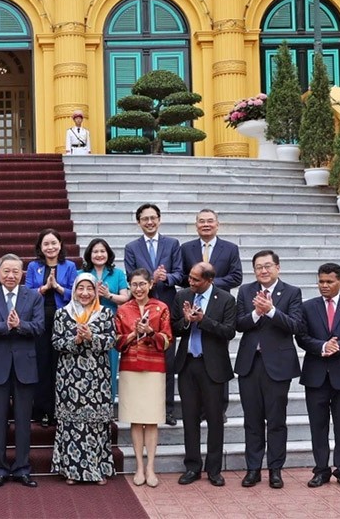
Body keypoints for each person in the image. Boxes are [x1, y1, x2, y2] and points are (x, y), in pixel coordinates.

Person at [235, 250, 303, 489]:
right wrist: (256, 312)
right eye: (258, 267)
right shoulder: (245, 291)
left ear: (277, 268)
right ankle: (253, 469)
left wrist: (272, 311)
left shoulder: (292, 292)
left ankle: (275, 469)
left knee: (276, 420)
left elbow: (295, 325)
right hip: (250, 364)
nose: (263, 271)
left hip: (278, 366)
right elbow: (238, 324)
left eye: (267, 266)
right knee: (252, 420)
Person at [297, 263, 340, 490]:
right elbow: (302, 337)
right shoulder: (307, 307)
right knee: (318, 426)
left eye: (329, 282)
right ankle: (321, 471)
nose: (324, 286)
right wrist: (322, 346)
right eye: (321, 281)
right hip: (315, 375)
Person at [0, 254, 44, 489]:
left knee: (24, 420)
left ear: (22, 273)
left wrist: (20, 325)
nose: (11, 275)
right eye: (6, 271)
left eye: (15, 271)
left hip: (25, 366)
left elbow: (39, 327)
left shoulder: (33, 297)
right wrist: (6, 326)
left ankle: (23, 468)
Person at [171, 262, 236, 487]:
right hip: (188, 364)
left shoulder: (226, 299)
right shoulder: (183, 297)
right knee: (189, 418)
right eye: (190, 278)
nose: (190, 282)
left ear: (209, 280)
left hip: (213, 367)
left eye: (196, 279)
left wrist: (203, 321)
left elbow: (229, 331)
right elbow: (173, 328)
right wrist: (187, 321)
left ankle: (214, 470)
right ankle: (192, 467)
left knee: (215, 420)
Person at [51, 273, 116, 485]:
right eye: (80, 288)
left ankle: (97, 469)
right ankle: (71, 471)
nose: (85, 293)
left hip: (97, 376)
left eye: (89, 288)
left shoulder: (105, 313)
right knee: (71, 423)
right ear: (74, 290)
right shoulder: (63, 314)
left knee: (96, 423)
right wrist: (75, 340)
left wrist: (91, 338)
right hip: (70, 376)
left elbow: (110, 341)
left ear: (96, 291)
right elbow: (56, 343)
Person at [180, 208, 243, 423]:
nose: (205, 225)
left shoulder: (230, 248)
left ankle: (219, 408)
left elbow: (236, 277)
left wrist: (211, 285)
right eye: (201, 221)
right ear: (196, 225)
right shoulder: (186, 248)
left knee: (218, 358)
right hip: (194, 302)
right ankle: (196, 407)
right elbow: (182, 276)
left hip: (218, 305)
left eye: (210, 221)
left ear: (217, 224)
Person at [124, 203, 183, 426]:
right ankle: (142, 408)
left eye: (153, 218)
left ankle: (167, 409)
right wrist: (150, 279)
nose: (149, 222)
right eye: (145, 219)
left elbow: (180, 274)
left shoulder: (172, 244)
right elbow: (131, 275)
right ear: (138, 222)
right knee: (142, 360)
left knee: (166, 360)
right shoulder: (132, 247)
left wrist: (165, 278)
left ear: (159, 219)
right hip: (140, 307)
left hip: (166, 307)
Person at [114, 268, 172, 488]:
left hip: (154, 367)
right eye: (134, 285)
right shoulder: (123, 310)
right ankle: (139, 466)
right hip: (130, 366)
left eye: (142, 284)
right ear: (129, 286)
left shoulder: (161, 307)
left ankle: (151, 467)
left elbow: (167, 340)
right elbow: (117, 341)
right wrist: (133, 334)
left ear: (150, 285)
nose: (138, 289)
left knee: (151, 418)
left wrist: (149, 332)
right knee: (136, 419)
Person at [25, 228, 77, 427]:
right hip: (39, 320)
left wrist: (57, 288)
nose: (50, 247)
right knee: (42, 364)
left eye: (54, 243)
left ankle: (58, 410)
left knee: (59, 364)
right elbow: (28, 293)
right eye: (46, 244)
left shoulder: (70, 266)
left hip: (62, 320)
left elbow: (76, 292)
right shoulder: (33, 266)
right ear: (40, 247)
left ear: (60, 245)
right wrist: (44, 288)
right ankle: (42, 410)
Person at [80, 238, 129, 401]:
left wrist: (108, 295)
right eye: (95, 251)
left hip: (110, 323)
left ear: (108, 254)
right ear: (89, 254)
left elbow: (125, 297)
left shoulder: (118, 274)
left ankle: (108, 402)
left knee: (111, 362)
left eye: (102, 251)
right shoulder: (81, 274)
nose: (99, 255)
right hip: (87, 322)